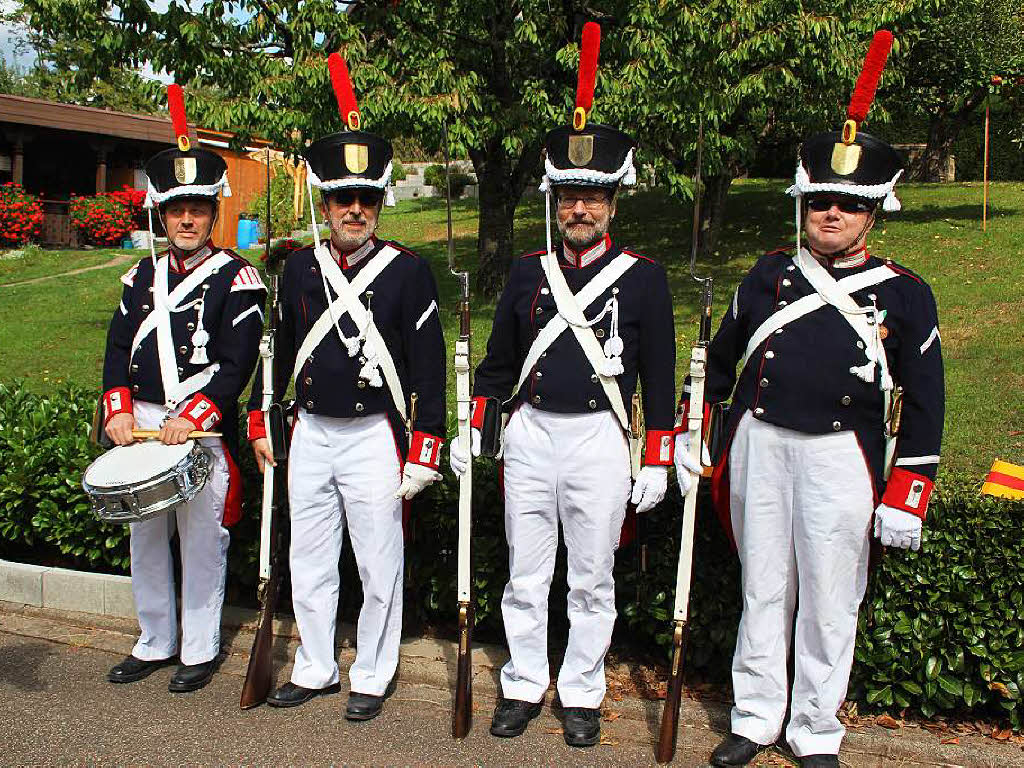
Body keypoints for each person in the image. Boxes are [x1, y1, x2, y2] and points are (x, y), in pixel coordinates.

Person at [677, 32, 945, 768]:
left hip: (841, 457)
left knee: (830, 600)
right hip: (762, 445)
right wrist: (695, 429)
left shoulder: (906, 296)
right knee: (763, 589)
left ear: (872, 213)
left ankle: (816, 729)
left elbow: (925, 401)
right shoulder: (764, 276)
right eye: (820, 201)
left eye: (846, 205)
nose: (830, 214)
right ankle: (756, 717)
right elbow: (716, 363)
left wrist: (907, 491)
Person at [450, 22, 676, 748]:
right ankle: (521, 682)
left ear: (614, 201)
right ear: (556, 201)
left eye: (594, 197)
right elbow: (496, 365)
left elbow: (662, 377)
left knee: (590, 577)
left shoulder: (644, 279)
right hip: (533, 434)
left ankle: (580, 691)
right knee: (525, 572)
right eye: (570, 197)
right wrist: (476, 424)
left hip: (600, 440)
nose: (580, 209)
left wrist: (662, 453)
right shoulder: (525, 272)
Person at [246, 53, 446, 721]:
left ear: (379, 202)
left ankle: (375, 672)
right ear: (325, 202)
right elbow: (273, 356)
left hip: (372, 435)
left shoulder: (408, 272)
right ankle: (314, 665)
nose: (354, 210)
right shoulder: (297, 270)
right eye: (342, 198)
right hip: (311, 432)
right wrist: (262, 420)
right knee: (309, 554)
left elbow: (428, 366)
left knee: (378, 558)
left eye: (366, 199)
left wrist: (427, 445)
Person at [102, 84, 266, 692]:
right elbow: (117, 350)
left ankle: (198, 648)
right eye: (177, 211)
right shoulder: (139, 274)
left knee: (201, 539)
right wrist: (118, 410)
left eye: (198, 208)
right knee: (146, 536)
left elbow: (236, 362)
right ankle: (153, 641)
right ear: (162, 214)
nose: (188, 219)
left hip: (198, 427)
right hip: (143, 423)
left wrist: (193, 415)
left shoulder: (238, 278)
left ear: (212, 213)